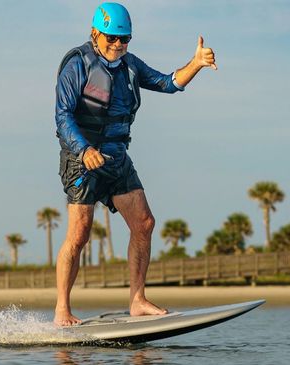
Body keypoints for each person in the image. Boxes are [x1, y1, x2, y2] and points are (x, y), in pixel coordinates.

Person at [54, 2, 216, 326]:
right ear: (96, 34)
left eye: (124, 39)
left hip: (116, 157)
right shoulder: (78, 64)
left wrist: (196, 64)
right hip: (80, 157)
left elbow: (168, 82)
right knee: (80, 233)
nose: (118, 45)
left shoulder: (129, 65)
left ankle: (137, 300)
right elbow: (62, 116)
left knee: (144, 224)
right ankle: (62, 310)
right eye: (112, 39)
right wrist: (84, 150)